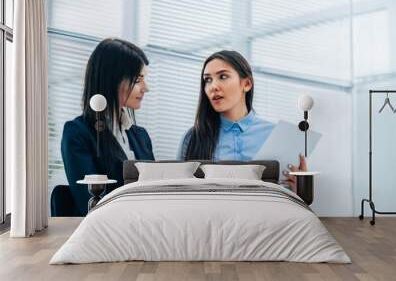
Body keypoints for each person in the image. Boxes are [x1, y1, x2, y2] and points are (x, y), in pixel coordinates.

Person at [178, 50, 305, 190]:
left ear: (247, 84)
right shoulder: (193, 138)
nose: (213, 86)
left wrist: (299, 188)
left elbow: (293, 194)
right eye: (208, 80)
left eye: (223, 76)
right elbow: (178, 192)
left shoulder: (278, 135)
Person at [61, 38, 155, 216]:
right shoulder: (78, 133)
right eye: (138, 80)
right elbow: (89, 203)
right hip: (108, 230)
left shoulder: (141, 136)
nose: (146, 88)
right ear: (112, 79)